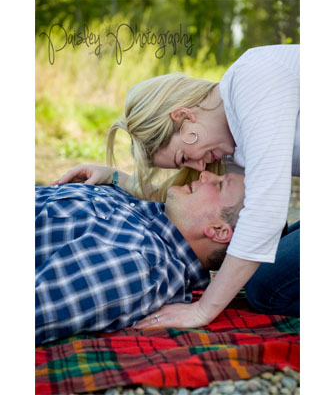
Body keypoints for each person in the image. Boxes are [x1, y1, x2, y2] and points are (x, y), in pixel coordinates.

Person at [53, 44, 300, 321]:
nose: (200, 168)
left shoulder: (252, 80)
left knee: (267, 284)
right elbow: (197, 202)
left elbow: (265, 212)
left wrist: (203, 309)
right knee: (273, 259)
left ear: (184, 118)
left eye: (183, 157)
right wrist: (114, 177)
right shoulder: (235, 144)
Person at [36, 172, 244, 344]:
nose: (205, 174)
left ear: (218, 231)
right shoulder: (148, 215)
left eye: (219, 185)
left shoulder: (139, 264)